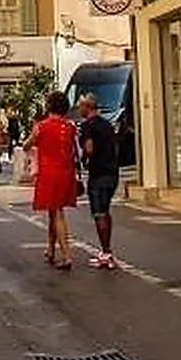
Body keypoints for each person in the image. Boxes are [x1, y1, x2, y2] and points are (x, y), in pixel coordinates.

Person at [25, 91, 79, 271]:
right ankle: (50, 248)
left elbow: (27, 145)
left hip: (49, 173)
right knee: (54, 212)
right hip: (66, 172)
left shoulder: (41, 126)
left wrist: (32, 137)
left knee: (57, 213)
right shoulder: (70, 127)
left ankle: (66, 255)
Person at [76, 94, 120, 270]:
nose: (79, 110)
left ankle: (106, 252)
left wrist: (85, 159)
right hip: (112, 172)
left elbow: (89, 148)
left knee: (99, 213)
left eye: (80, 107)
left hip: (98, 173)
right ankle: (106, 251)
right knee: (106, 211)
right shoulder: (107, 124)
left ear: (88, 107)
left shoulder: (88, 126)